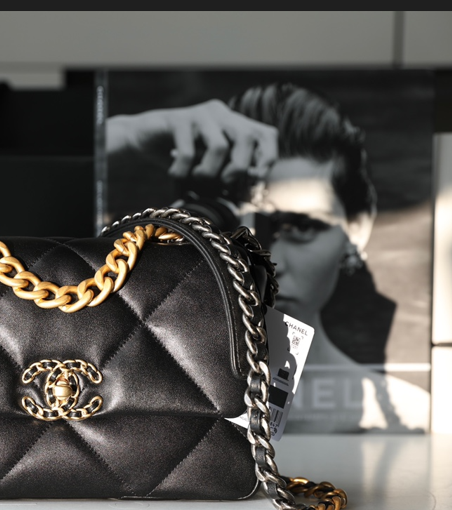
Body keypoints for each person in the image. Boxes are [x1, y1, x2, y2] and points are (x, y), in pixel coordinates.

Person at [106, 82, 429, 434]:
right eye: (233, 229)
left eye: (301, 227)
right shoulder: (129, 403)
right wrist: (125, 136)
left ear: (358, 228)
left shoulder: (413, 416)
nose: (267, 264)